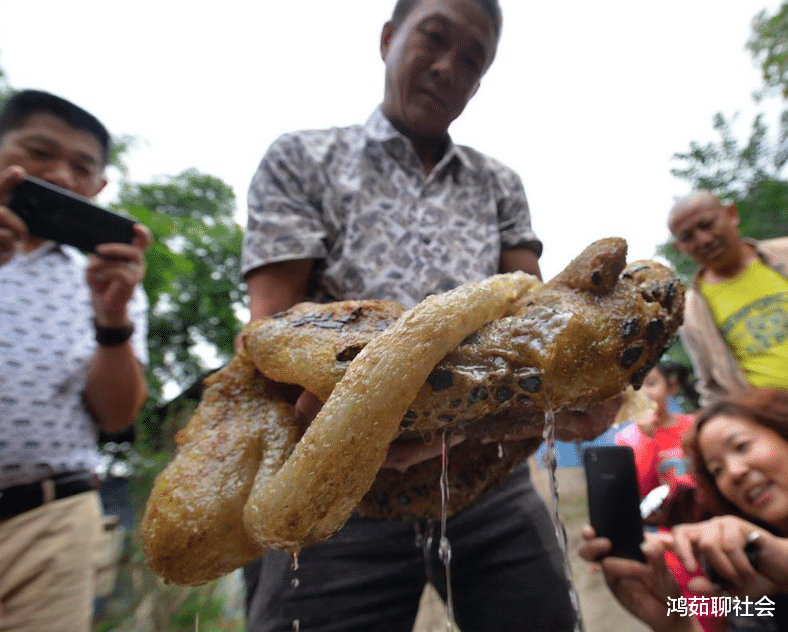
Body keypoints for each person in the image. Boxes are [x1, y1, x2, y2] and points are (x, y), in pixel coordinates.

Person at [239, 1, 585, 630]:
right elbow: (274, 330)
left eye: (473, 59)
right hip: (336, 485)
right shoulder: (303, 158)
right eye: (434, 38)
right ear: (388, 39)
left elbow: (533, 317)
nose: (448, 67)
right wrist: (357, 420)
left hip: (486, 477)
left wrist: (578, 383)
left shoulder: (497, 182)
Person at [0, 90, 150, 632]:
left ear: (99, 188)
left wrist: (112, 319)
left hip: (50, 524)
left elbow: (116, 416)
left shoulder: (110, 282)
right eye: (39, 152)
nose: (61, 175)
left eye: (82, 167)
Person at [580, 388, 788, 632]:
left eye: (742, 446)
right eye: (716, 470)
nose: (734, 472)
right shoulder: (747, 580)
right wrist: (679, 625)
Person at [668, 190, 788, 406]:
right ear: (679, 247)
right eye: (687, 237)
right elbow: (712, 387)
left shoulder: (784, 253)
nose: (704, 240)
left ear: (731, 214)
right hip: (769, 417)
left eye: (707, 224)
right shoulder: (691, 311)